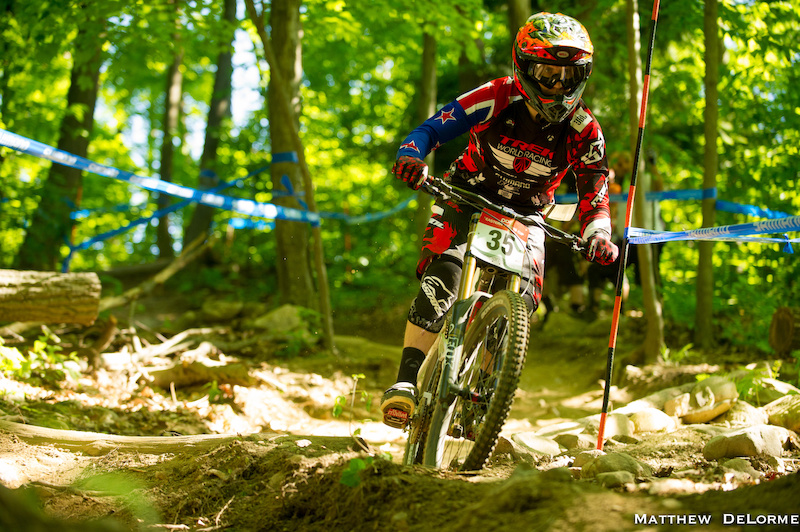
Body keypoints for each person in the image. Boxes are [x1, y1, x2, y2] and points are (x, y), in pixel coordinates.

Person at [380, 12, 620, 429]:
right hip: (467, 194)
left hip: (528, 214)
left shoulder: (585, 130)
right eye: (548, 74)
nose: (559, 86)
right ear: (524, 68)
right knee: (444, 277)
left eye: (569, 76)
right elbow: (431, 129)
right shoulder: (495, 96)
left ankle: (483, 396)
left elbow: (595, 194)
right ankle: (405, 380)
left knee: (521, 302)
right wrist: (411, 156)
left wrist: (598, 234)